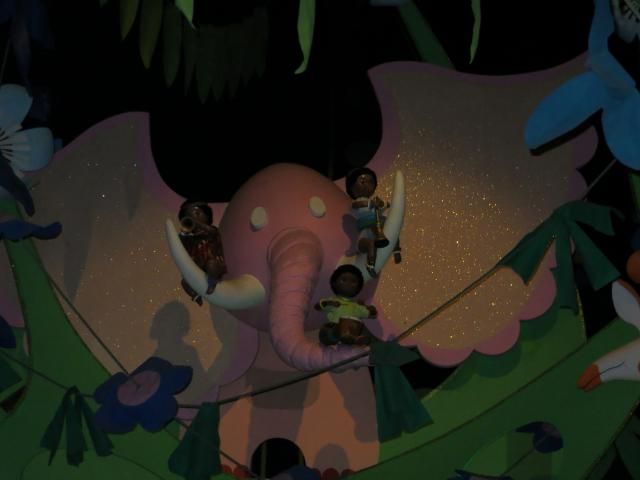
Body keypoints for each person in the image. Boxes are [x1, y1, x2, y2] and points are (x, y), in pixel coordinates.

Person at [345, 167, 401, 277]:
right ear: (352, 187)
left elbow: (379, 209)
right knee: (371, 245)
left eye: (371, 182)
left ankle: (396, 250)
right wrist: (371, 204)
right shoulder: (356, 202)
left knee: (392, 230)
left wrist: (384, 205)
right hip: (367, 227)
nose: (367, 185)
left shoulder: (373, 201)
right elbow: (358, 205)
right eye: (362, 181)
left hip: (378, 225)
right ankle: (370, 265)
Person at [178, 200, 227, 306]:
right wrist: (184, 233)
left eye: (197, 213)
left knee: (211, 265)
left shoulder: (211, 231)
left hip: (214, 264)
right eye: (189, 216)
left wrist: (198, 224)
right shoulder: (191, 238)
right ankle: (196, 296)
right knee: (185, 282)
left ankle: (212, 283)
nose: (193, 217)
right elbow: (182, 243)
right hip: (199, 268)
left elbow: (212, 232)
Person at [314, 265, 377, 346]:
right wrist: (329, 303)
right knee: (327, 331)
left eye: (353, 281)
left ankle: (354, 340)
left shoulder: (356, 306)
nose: (348, 284)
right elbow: (317, 307)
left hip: (350, 332)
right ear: (335, 283)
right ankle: (349, 338)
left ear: (358, 287)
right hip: (333, 333)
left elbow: (370, 313)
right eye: (343, 280)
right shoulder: (333, 301)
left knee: (358, 327)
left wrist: (371, 309)